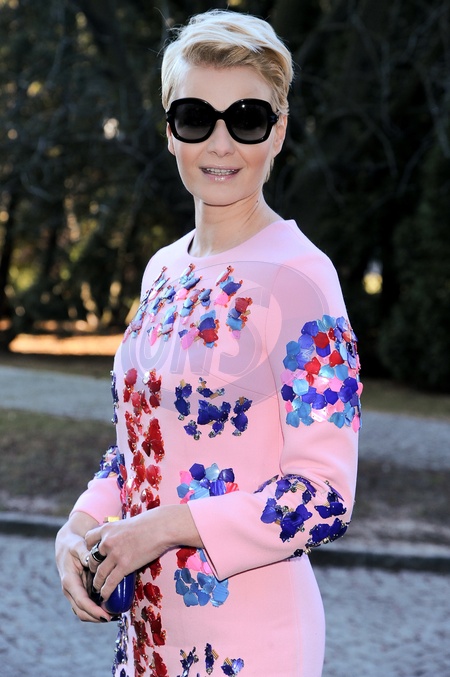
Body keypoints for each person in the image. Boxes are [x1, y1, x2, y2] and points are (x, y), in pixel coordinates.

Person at [55, 9, 362, 677]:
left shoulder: (301, 279)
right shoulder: (162, 269)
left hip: (251, 646)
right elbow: (141, 441)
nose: (220, 144)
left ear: (278, 131)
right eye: (196, 117)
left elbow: (323, 496)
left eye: (246, 118)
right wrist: (79, 525)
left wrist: (164, 526)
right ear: (170, 131)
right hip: (147, 640)